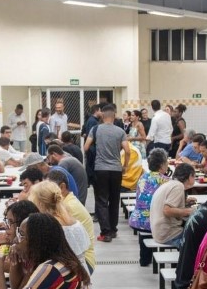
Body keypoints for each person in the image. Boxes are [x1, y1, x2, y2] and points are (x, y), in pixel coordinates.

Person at [84, 104, 131, 242]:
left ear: (102, 116)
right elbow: (127, 151)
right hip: (116, 169)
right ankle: (113, 229)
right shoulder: (120, 131)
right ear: (114, 116)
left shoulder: (95, 129)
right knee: (114, 199)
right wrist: (125, 166)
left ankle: (105, 232)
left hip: (101, 169)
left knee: (102, 200)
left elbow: (86, 147)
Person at [28, 181, 90, 267]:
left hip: (65, 275)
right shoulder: (74, 222)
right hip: (81, 272)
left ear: (40, 204)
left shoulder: (48, 227)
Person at [46, 170, 96, 274]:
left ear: (62, 187)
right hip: (75, 256)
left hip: (83, 262)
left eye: (48, 191)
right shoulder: (66, 202)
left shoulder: (68, 207)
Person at [128, 148, 169, 265]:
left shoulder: (143, 177)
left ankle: (144, 260)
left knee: (144, 232)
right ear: (162, 165)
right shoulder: (165, 181)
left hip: (137, 219)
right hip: (151, 222)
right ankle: (159, 261)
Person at [149, 163, 196, 247]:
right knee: (199, 237)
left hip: (159, 232)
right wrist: (189, 211)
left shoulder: (170, 183)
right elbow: (167, 210)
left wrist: (184, 203)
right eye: (194, 176)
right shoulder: (178, 186)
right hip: (168, 235)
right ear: (189, 177)